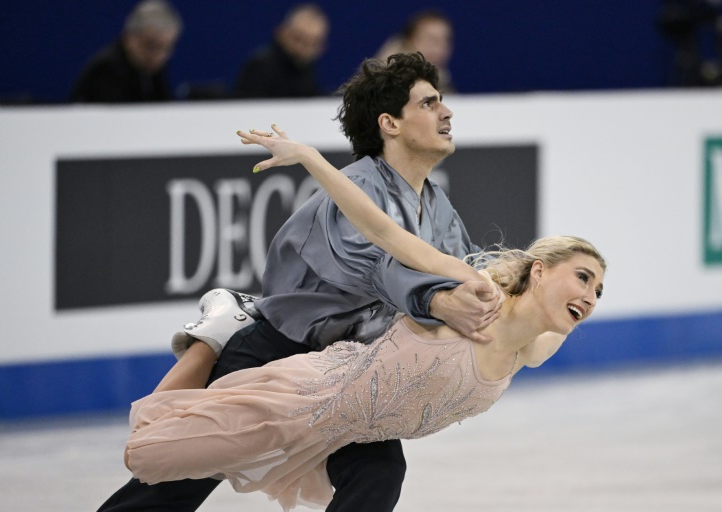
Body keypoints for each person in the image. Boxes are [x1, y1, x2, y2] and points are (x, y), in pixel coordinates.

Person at [97, 52, 500, 512]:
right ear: (389, 123)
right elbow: (376, 265)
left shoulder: (435, 204)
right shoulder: (356, 189)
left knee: (379, 472)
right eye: (428, 103)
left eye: (441, 101)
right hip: (274, 353)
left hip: (343, 373)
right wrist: (439, 303)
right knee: (171, 485)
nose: (446, 112)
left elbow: (468, 265)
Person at [123, 127, 606, 510]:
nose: (590, 297)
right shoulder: (475, 293)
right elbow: (383, 231)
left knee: (382, 478)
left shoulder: (532, 348)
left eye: (599, 291)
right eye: (583, 278)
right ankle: (218, 333)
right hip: (306, 394)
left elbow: (554, 318)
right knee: (150, 457)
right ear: (539, 271)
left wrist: (569, 304)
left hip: (356, 430)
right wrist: (310, 158)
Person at [70, 0, 182, 103]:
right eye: (150, 45)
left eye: (166, 48)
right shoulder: (106, 70)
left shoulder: (153, 70)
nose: (158, 55)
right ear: (129, 36)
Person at [232, 4, 329, 99]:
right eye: (298, 39)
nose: (302, 48)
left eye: (312, 43)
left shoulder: (307, 72)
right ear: (282, 32)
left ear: (322, 47)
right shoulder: (260, 67)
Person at [376, 10, 456, 93]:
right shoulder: (384, 84)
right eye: (431, 39)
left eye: (446, 40)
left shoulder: (443, 80)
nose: (440, 46)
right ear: (408, 41)